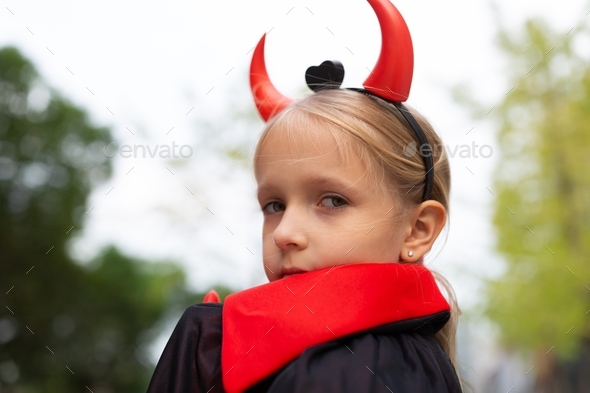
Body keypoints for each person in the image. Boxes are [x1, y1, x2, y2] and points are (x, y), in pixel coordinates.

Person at [146, 0, 463, 392]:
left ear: (416, 230)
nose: (284, 233)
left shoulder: (357, 366)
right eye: (274, 206)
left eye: (331, 200)